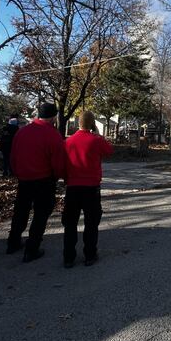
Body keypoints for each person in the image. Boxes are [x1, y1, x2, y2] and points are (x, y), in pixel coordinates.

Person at [7, 103, 65, 263]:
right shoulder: (53, 135)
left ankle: (13, 242)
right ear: (53, 117)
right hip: (44, 179)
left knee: (21, 210)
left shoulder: (22, 132)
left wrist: (17, 172)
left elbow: (13, 155)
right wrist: (58, 176)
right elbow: (58, 161)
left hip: (24, 179)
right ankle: (32, 248)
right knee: (41, 213)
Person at [62, 111, 113, 268]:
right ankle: (90, 255)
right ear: (92, 124)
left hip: (72, 187)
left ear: (78, 123)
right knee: (91, 222)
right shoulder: (96, 140)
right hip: (91, 188)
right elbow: (109, 151)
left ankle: (68, 257)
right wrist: (98, 134)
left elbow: (62, 163)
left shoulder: (68, 142)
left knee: (70, 223)